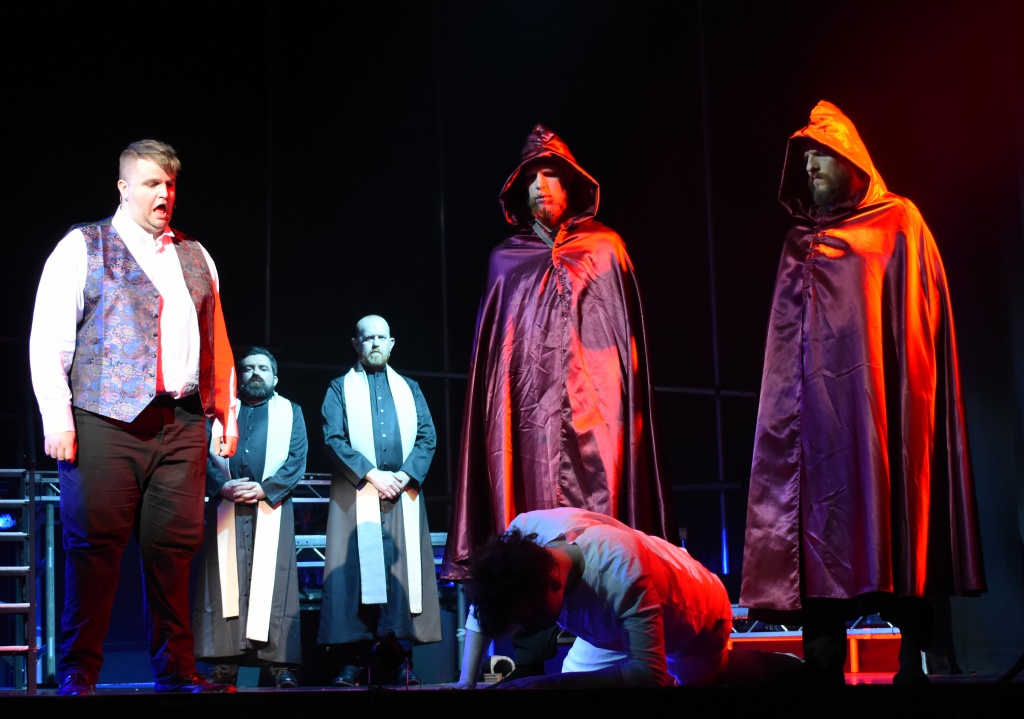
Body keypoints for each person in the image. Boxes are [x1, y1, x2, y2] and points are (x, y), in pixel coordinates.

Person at [739, 100, 987, 685]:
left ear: (853, 159)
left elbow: (917, 333)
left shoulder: (899, 222)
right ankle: (823, 661)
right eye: (804, 159)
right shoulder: (799, 243)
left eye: (822, 154)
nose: (811, 167)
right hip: (816, 439)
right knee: (817, 550)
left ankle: (916, 662)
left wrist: (905, 413)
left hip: (880, 420)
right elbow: (783, 360)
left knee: (893, 528)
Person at [440, 123, 676, 679]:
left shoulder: (606, 248)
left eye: (550, 175)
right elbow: (496, 363)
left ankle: (605, 638)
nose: (540, 186)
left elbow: (622, 350)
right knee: (525, 524)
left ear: (571, 186)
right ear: (517, 193)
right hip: (523, 423)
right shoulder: (505, 260)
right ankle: (523, 653)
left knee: (603, 525)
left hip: (598, 418)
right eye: (530, 179)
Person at [28, 139, 239, 695]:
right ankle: (79, 671)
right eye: (151, 184)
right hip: (104, 420)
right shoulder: (83, 246)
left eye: (169, 184)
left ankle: (176, 670)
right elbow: (49, 338)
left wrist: (224, 413)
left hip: (181, 421)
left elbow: (215, 340)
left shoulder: (195, 254)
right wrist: (57, 417)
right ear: (123, 188)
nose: (163, 194)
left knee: (173, 553)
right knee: (94, 551)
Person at [449, 507, 803, 689]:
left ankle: (793, 667)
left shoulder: (619, 572)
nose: (528, 625)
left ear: (553, 583)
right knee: (574, 683)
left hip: (698, 617)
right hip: (619, 619)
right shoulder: (525, 536)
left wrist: (545, 681)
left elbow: (648, 675)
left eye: (532, 616)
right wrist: (467, 681)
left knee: (711, 679)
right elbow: (488, 600)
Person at [316, 314, 442, 687]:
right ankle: (354, 662)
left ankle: (400, 659)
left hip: (402, 494)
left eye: (381, 338)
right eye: (367, 337)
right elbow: (332, 438)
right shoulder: (339, 388)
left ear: (391, 343)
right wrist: (372, 474)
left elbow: (427, 436)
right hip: (357, 492)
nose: (374, 343)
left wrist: (404, 475)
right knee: (354, 577)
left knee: (402, 576)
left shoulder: (410, 388)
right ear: (355, 344)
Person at [191, 346, 308, 689]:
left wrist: (265, 489)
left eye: (263, 368)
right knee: (223, 585)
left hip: (272, 506)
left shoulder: (291, 412)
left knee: (276, 585)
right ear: (238, 376)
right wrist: (222, 485)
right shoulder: (219, 412)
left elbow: (297, 458)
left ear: (275, 378)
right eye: (248, 368)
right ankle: (224, 663)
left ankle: (279, 665)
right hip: (226, 506)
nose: (255, 373)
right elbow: (199, 454)